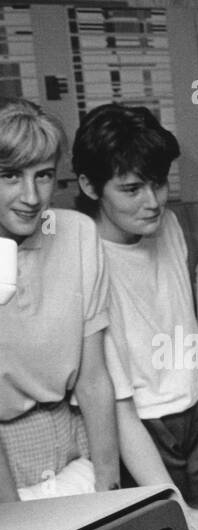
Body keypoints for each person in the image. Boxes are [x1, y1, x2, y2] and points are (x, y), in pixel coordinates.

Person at [73, 103, 198, 504]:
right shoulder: (82, 256)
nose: (152, 201)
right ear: (89, 186)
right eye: (132, 189)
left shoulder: (167, 224)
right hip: (141, 427)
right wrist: (174, 503)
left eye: (158, 183)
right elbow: (112, 402)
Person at [0, 99, 118, 504]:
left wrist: (108, 489)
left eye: (44, 175)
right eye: (11, 175)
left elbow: (95, 379)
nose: (31, 196)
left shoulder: (78, 234)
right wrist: (12, 518)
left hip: (75, 456)